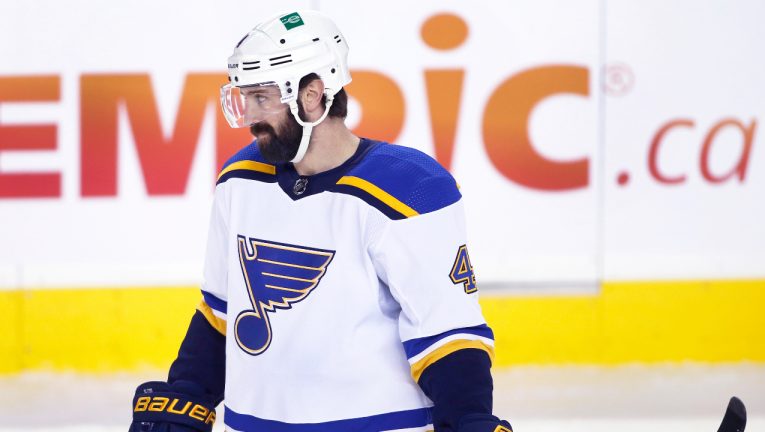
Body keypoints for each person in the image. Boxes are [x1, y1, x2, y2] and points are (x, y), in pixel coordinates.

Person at [130, 10, 511, 432]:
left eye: (262, 98)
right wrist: (187, 391)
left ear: (312, 95)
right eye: (245, 98)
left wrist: (467, 418)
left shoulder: (409, 190)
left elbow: (447, 333)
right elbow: (222, 310)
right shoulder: (239, 180)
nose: (251, 117)